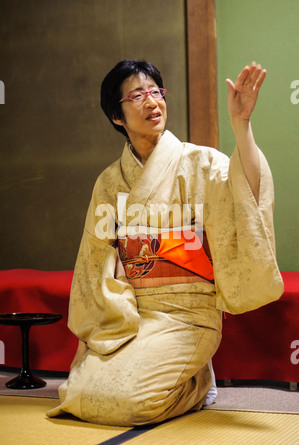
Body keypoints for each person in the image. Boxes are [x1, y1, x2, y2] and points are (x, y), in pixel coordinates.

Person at [47, 59, 283, 426]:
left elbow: (248, 199)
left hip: (189, 314)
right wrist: (108, 314)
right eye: (137, 95)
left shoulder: (201, 163)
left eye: (156, 92)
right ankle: (174, 378)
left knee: (129, 404)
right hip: (131, 315)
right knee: (78, 394)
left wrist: (241, 124)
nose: (152, 102)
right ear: (116, 116)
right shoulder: (110, 182)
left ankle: (198, 384)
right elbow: (95, 260)